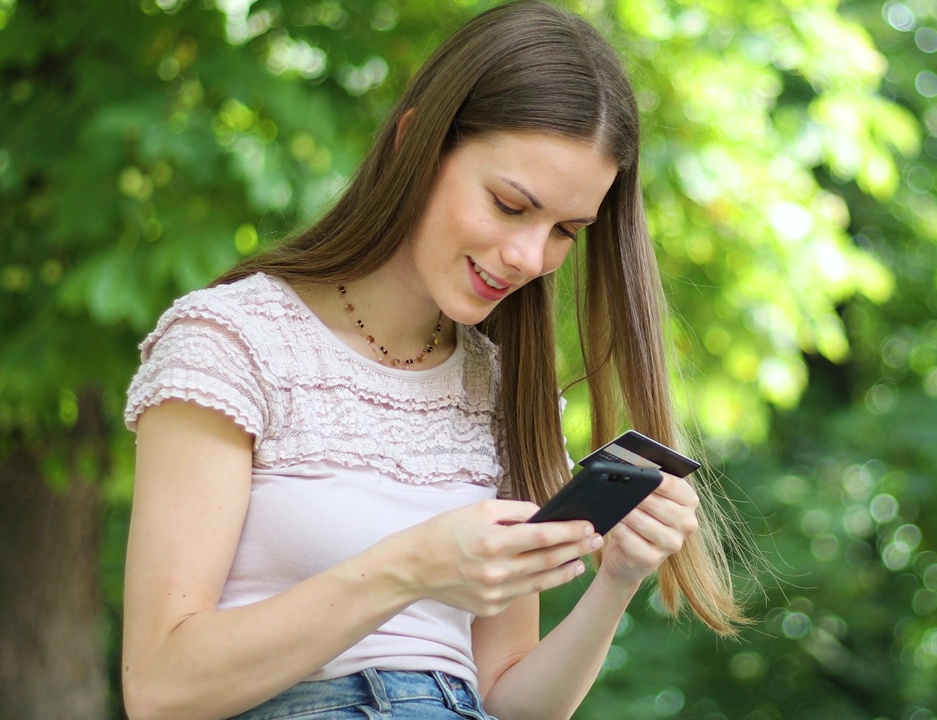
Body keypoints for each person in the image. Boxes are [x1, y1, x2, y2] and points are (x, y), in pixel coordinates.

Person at [119, 2, 746, 719]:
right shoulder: (232, 342)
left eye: (565, 231)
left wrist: (619, 580)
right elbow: (160, 687)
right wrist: (411, 566)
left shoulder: (509, 393)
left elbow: (509, 699)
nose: (529, 258)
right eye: (511, 205)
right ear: (415, 143)